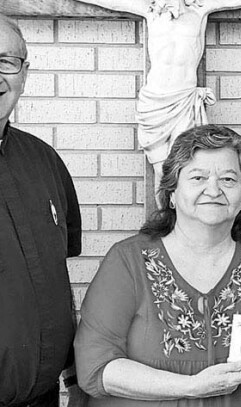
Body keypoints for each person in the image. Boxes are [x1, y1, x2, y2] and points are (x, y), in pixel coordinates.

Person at [74, 124, 241, 406]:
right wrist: (192, 386)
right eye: (197, 177)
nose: (213, 189)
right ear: (171, 194)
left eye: (229, 180)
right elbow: (95, 368)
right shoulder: (128, 262)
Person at [76, 0, 241, 190]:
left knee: (187, 169)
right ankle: (163, 222)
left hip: (184, 101)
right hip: (155, 101)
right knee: (161, 172)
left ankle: (186, 221)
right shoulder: (151, 11)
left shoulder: (200, 9)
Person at [0, 14, 83, 407]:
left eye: (6, 62)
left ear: (24, 73)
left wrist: (75, 376)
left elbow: (54, 280)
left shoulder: (44, 161)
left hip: (44, 399)